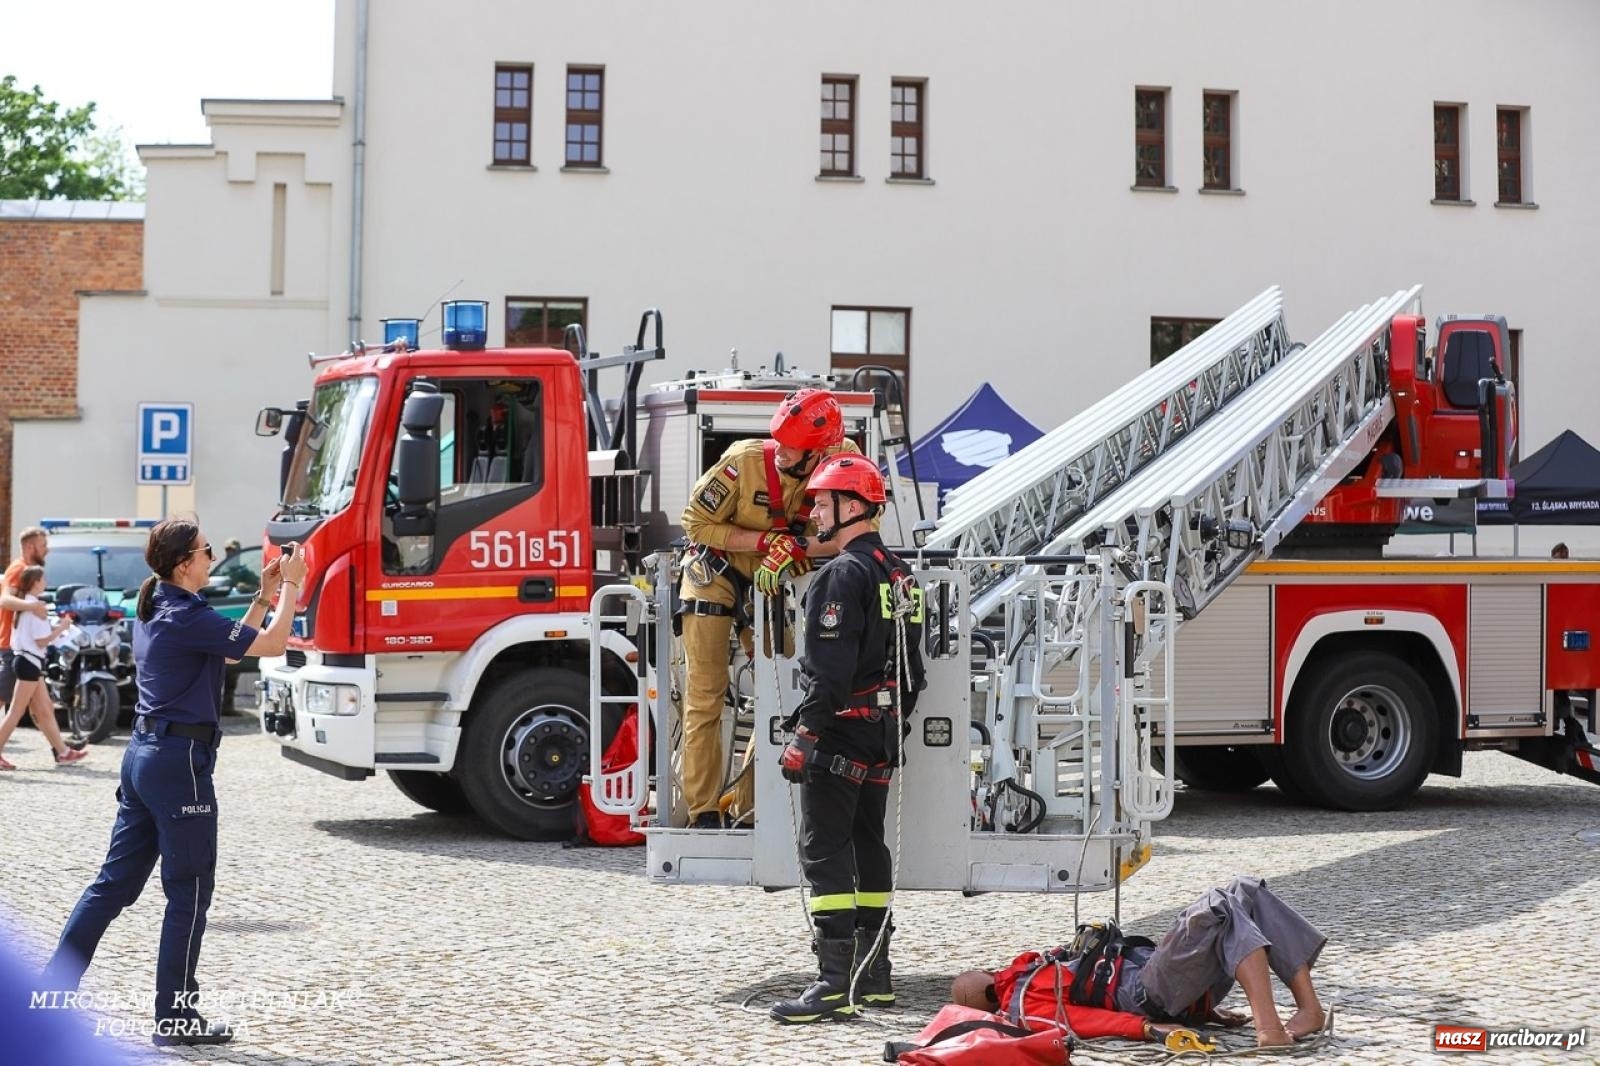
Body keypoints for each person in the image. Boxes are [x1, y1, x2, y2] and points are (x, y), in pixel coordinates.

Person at [38, 518, 306, 1047]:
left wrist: (262, 595)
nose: (212, 557)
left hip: (145, 757)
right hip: (178, 762)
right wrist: (293, 584)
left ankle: (48, 996)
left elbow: (232, 650)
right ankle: (175, 1018)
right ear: (185, 563)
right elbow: (274, 643)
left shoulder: (159, 606)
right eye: (206, 550)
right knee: (189, 892)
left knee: (111, 887)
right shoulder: (187, 614)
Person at [770, 455, 926, 1025]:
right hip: (880, 736)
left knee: (825, 851)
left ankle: (833, 984)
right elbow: (914, 671)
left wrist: (805, 736)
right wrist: (891, 725)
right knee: (867, 845)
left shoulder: (842, 575)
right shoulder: (900, 574)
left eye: (821, 502)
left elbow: (829, 673)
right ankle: (873, 976)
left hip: (839, 735)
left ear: (853, 506)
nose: (812, 512)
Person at [678, 388, 863, 829]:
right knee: (705, 696)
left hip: (773, 585)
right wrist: (766, 543)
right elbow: (695, 522)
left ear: (817, 452)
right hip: (715, 575)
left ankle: (748, 808)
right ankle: (703, 812)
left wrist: (798, 547)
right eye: (779, 439)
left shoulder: (844, 462)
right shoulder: (743, 462)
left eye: (792, 446)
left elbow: (858, 530)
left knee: (780, 694)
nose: (781, 450)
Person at [950, 876, 1328, 1048]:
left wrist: (1208, 1013)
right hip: (1150, 993)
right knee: (1218, 904)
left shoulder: (1032, 969)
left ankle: (1309, 1009)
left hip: (1174, 986)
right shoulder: (1024, 1002)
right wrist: (1149, 1029)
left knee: (1244, 890)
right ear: (987, 977)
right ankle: (1270, 1029)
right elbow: (1086, 1021)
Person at [0, 565, 87, 768]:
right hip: (30, 662)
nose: (45, 583)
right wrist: (62, 628)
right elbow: (41, 641)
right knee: (16, 711)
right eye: (43, 579)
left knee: (44, 709)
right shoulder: (36, 607)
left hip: (27, 661)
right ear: (35, 583)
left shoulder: (26, 605)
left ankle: (63, 752)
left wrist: (56, 629)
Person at [0, 526, 54, 739]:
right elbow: (5, 600)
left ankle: (61, 749)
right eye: (43, 545)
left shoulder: (29, 570)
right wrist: (33, 606)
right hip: (12, 646)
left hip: (26, 649)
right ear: (31, 547)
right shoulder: (19, 568)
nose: (47, 549)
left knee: (43, 706)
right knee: (7, 700)